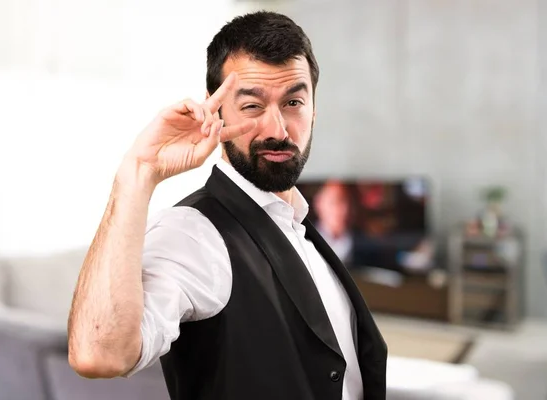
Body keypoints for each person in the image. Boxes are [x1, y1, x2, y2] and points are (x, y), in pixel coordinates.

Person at [67, 11, 387, 400]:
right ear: (215, 110)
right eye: (252, 106)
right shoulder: (193, 231)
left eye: (294, 102)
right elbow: (98, 354)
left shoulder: (298, 224)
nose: (278, 130)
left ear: (314, 108)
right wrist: (137, 173)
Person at [313, 180, 354, 265]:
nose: (344, 210)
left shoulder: (365, 244)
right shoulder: (304, 239)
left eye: (348, 201)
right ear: (319, 203)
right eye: (335, 201)